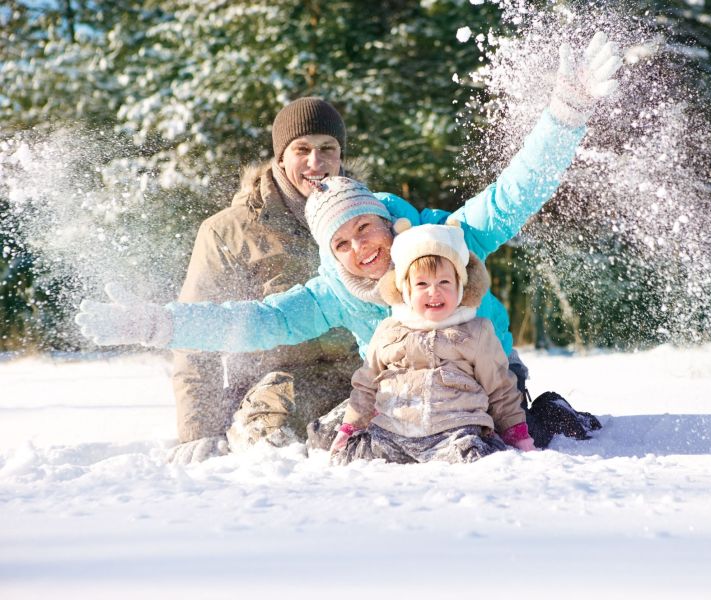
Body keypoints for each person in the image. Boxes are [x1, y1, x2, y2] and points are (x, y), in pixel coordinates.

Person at [76, 31, 622, 455]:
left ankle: (547, 412)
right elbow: (252, 321)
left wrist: (566, 114)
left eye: (366, 229)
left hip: (485, 381)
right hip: (404, 396)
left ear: (385, 221)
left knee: (491, 437)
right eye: (342, 243)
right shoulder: (332, 291)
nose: (360, 248)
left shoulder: (444, 239)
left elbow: (515, 193)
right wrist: (154, 324)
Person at [166, 97, 364, 464]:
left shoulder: (368, 218)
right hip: (271, 389)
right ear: (280, 156)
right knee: (274, 450)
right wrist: (198, 430)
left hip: (358, 379)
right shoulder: (229, 232)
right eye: (301, 149)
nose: (315, 162)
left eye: (328, 149)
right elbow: (196, 333)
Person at [331, 220, 536, 465]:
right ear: (405, 290)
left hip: (455, 431)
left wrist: (516, 432)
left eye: (444, 283)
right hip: (391, 433)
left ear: (460, 287)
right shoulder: (388, 331)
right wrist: (349, 427)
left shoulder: (476, 331)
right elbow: (366, 386)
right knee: (350, 458)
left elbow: (499, 389)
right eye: (422, 284)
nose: (433, 292)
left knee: (478, 460)